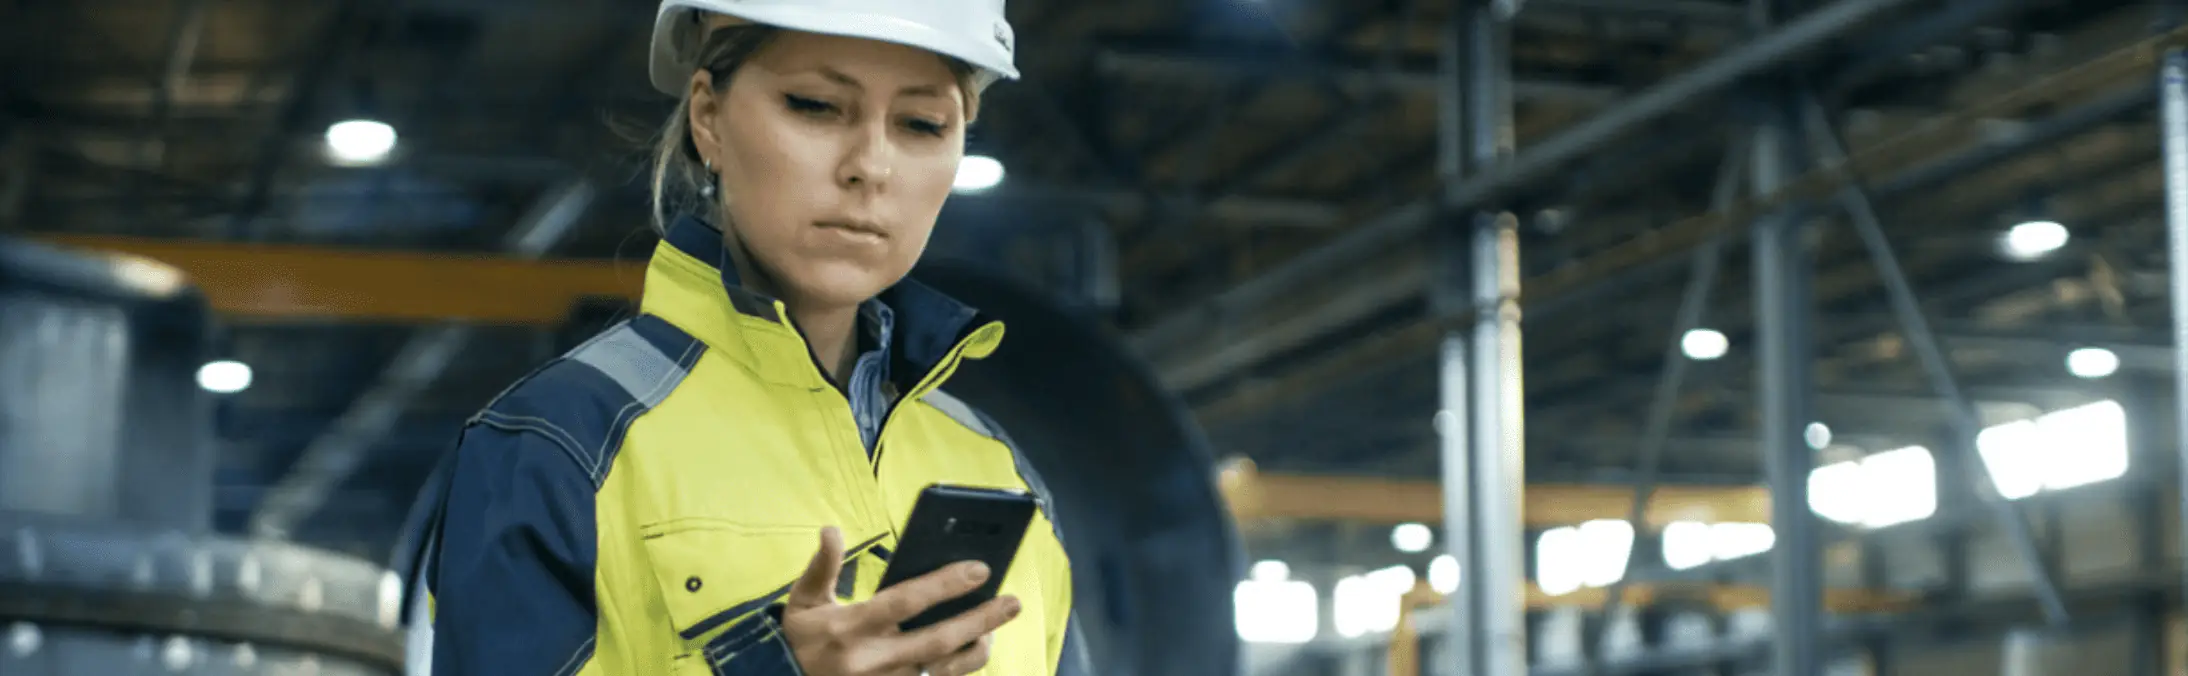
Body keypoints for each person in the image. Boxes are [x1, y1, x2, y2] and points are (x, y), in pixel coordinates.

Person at [410, 1, 1090, 674]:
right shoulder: (556, 447)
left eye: (921, 123)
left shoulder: (995, 471)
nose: (871, 167)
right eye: (817, 106)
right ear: (708, 117)